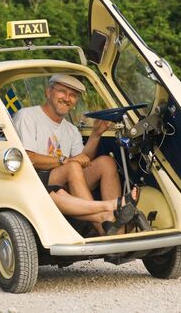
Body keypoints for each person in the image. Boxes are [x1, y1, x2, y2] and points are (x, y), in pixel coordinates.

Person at [14, 74, 141, 235]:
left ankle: (116, 224)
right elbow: (28, 158)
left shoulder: (71, 129)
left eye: (73, 95)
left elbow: (83, 160)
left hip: (67, 179)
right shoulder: (27, 116)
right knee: (72, 167)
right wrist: (64, 160)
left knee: (106, 162)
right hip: (37, 180)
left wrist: (95, 134)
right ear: (48, 92)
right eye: (62, 92)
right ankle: (105, 228)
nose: (67, 98)